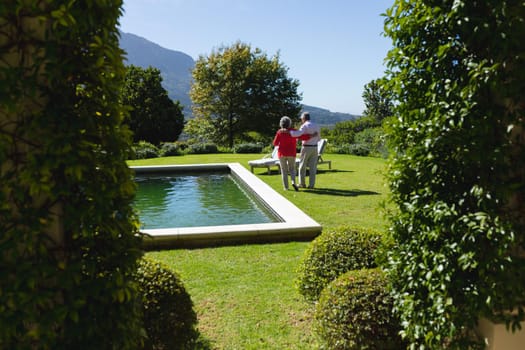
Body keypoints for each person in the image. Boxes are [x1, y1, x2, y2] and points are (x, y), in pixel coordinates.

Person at [272, 116, 311, 191]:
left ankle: (286, 187)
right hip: (291, 153)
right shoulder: (293, 131)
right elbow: (303, 137)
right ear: (289, 123)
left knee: (283, 170)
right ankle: (293, 182)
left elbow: (275, 143)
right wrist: (311, 135)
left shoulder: (279, 132)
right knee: (292, 169)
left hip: (282, 153)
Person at [292, 112, 321, 189]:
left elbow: (299, 135)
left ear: (303, 118)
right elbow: (319, 139)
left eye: (301, 119)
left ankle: (302, 183)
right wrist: (312, 137)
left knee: (302, 166)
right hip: (315, 147)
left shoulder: (304, 126)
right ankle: (311, 185)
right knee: (313, 167)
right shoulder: (316, 125)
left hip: (306, 147)